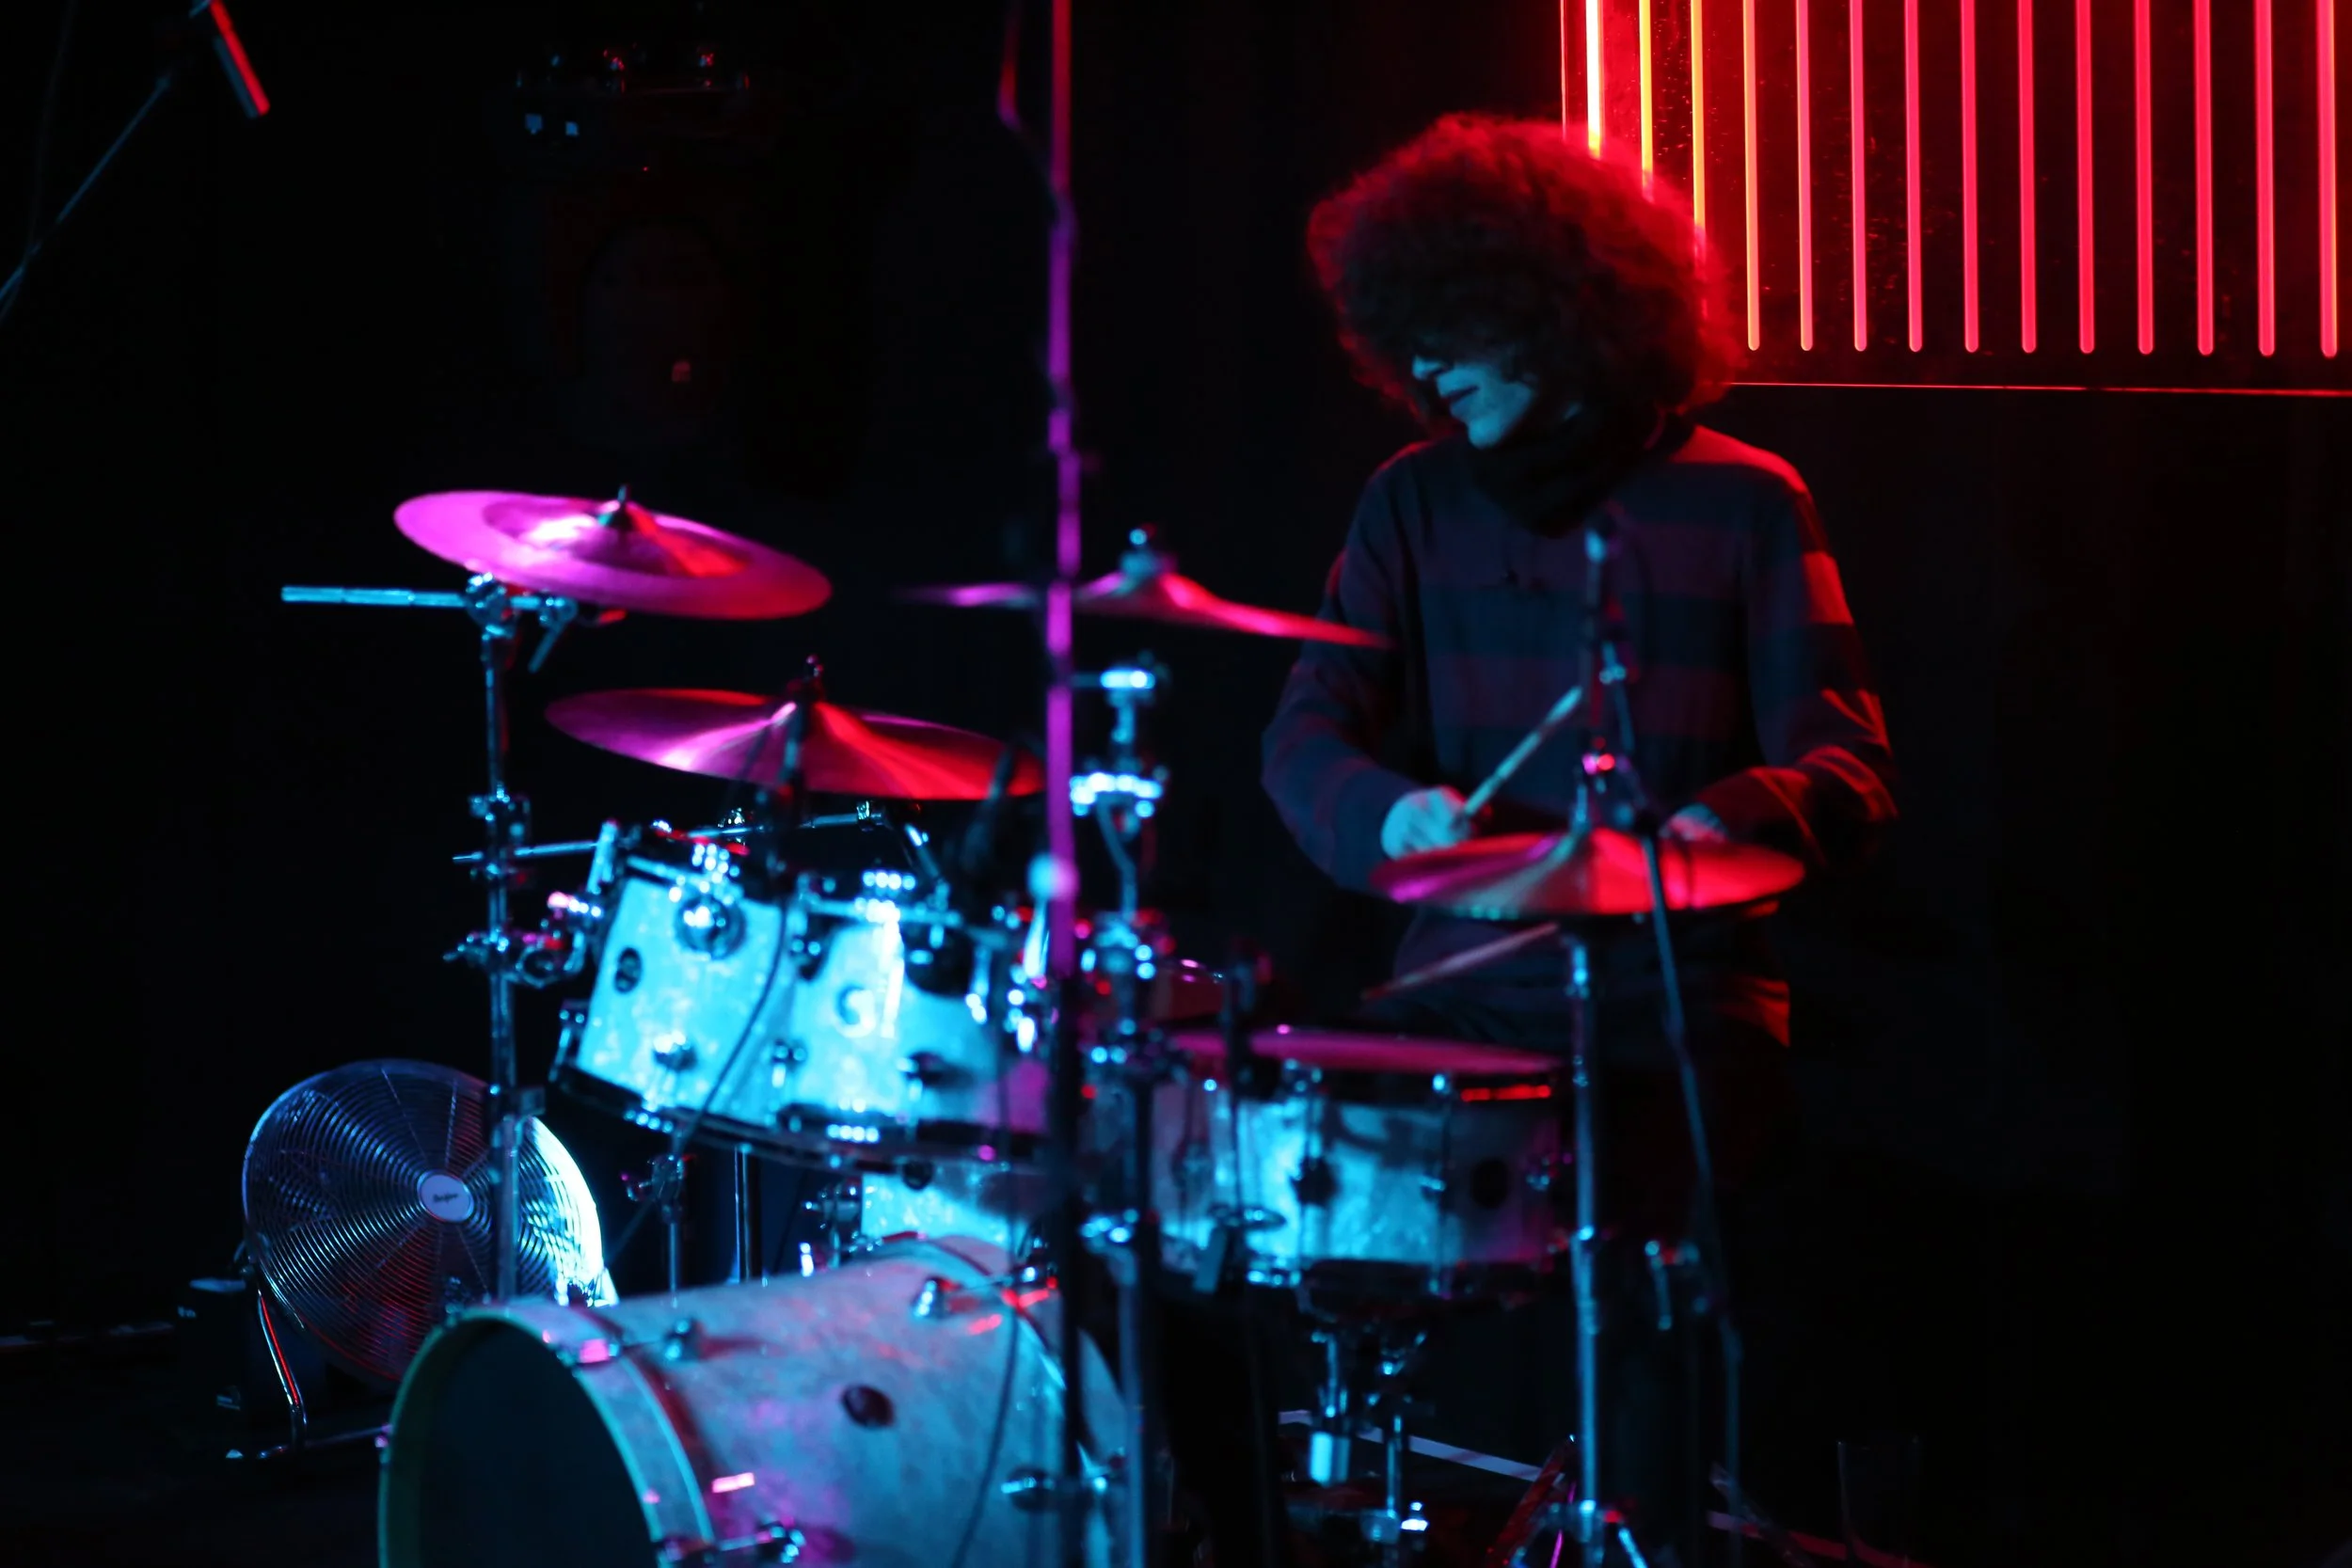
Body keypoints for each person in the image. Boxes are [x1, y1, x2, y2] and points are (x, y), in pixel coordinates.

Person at [1256, 114, 1899, 1555]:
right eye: (1410, 332)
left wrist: (1700, 834)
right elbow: (1304, 738)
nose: (1426, 367)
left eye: (1460, 325)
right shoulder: (1407, 502)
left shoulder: (1746, 498)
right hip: (1465, 1000)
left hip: (1680, 1005)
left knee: (1648, 1302)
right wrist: (1393, 815)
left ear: (1563, 306)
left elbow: (1849, 764)